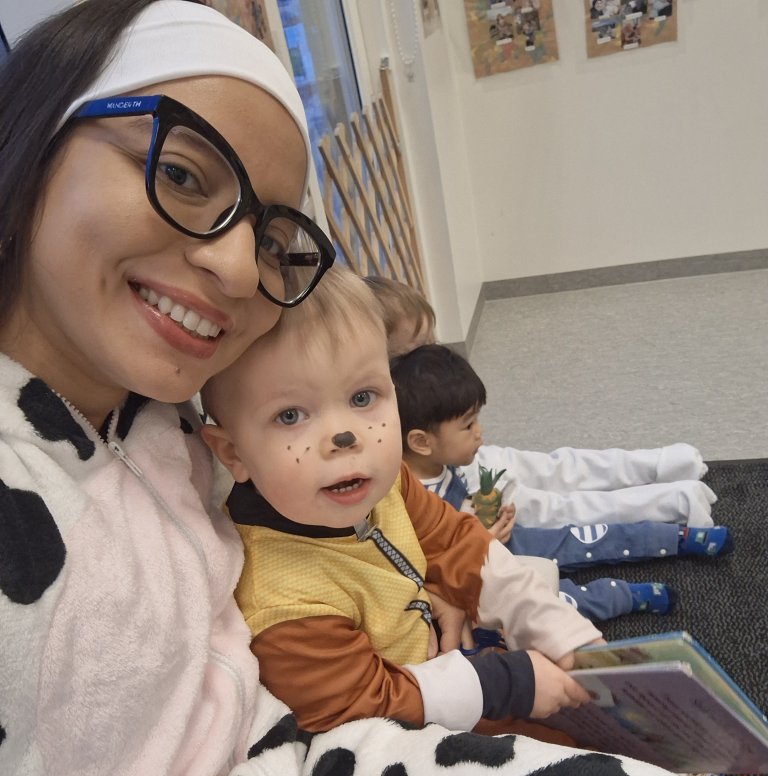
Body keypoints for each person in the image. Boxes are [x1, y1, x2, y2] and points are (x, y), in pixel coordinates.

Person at [3, 4, 768, 776]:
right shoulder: (193, 483)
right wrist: (491, 672)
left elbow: (448, 536)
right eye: (182, 174)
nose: (234, 268)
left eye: (269, 233)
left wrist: (537, 625)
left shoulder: (162, 415)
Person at [201, 263, 600, 734]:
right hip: (417, 734)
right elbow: (361, 708)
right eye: (290, 415)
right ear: (233, 454)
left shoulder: (386, 484)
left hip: (446, 670)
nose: (345, 437)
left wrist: (549, 623)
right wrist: (500, 682)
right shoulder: (283, 603)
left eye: (363, 397)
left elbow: (456, 543)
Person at [390, 343, 733, 624]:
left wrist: (489, 516)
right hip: (480, 574)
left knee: (584, 535)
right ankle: (622, 597)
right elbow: (432, 570)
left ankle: (676, 537)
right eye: (468, 426)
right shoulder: (407, 501)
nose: (479, 433)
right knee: (550, 601)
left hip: (501, 542)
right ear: (421, 442)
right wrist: (483, 541)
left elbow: (466, 512)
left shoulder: (443, 464)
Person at [366, 275, 719, 527]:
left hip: (468, 461)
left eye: (433, 342)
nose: (432, 357)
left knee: (557, 467)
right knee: (562, 509)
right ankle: (673, 502)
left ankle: (658, 465)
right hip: (465, 495)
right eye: (415, 352)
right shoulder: (375, 420)